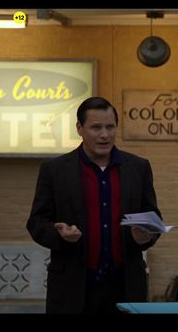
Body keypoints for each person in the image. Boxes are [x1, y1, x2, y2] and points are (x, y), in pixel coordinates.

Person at [27, 97, 162, 314]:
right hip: (73, 287)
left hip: (126, 286)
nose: (105, 135)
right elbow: (36, 222)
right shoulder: (55, 170)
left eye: (110, 127)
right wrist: (59, 234)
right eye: (96, 127)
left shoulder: (138, 168)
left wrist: (147, 236)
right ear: (79, 128)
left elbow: (153, 218)